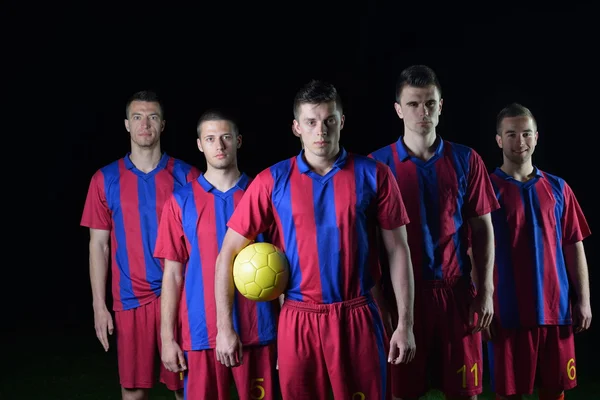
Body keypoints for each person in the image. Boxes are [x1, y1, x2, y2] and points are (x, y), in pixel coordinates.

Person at [214, 79, 416, 400]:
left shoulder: (374, 174)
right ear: (296, 127)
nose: (320, 130)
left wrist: (405, 324)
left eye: (329, 121)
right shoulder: (272, 180)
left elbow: (398, 252)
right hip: (299, 318)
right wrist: (224, 328)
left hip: (358, 315)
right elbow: (227, 254)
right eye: (311, 122)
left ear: (341, 122)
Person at [369, 64, 499, 400]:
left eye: (429, 103)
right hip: (401, 298)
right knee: (401, 393)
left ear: (441, 106)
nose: (422, 111)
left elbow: (482, 231)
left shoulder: (467, 159)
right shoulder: (375, 166)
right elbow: (366, 245)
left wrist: (485, 290)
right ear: (398, 110)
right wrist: (379, 300)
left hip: (455, 294)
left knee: (465, 393)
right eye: (413, 104)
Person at [80, 90, 201, 400]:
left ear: (163, 125)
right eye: (137, 117)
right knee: (133, 392)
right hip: (129, 299)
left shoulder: (188, 176)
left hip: (179, 296)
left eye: (152, 117)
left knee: (186, 388)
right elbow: (99, 246)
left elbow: (203, 242)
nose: (144, 124)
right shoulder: (104, 179)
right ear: (126, 125)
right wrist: (98, 304)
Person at [153, 110, 279, 400]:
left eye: (225, 137)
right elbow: (172, 274)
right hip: (201, 331)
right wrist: (167, 337)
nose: (219, 146)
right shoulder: (180, 201)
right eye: (210, 139)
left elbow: (283, 267)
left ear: (238, 141)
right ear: (200, 145)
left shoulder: (262, 193)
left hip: (258, 328)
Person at [483, 103, 592, 400]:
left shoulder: (558, 188)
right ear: (498, 140)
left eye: (526, 134)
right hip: (507, 311)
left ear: (537, 137)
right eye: (511, 134)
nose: (520, 142)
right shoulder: (486, 189)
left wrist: (584, 300)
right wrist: (482, 301)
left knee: (554, 390)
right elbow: (472, 251)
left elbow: (573, 244)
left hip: (556, 310)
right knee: (509, 392)